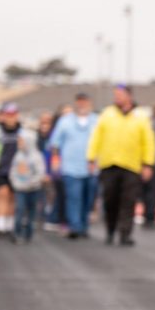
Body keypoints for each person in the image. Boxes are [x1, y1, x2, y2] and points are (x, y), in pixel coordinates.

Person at [86, 84, 155, 246]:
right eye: (115, 94)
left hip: (131, 166)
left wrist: (148, 164)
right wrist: (91, 158)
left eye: (120, 94)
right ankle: (110, 230)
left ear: (129, 96)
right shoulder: (107, 114)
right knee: (110, 200)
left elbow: (149, 142)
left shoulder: (141, 116)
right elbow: (96, 137)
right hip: (109, 164)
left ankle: (125, 234)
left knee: (129, 201)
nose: (116, 97)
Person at [49, 93, 98, 239]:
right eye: (80, 102)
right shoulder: (65, 121)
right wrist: (56, 160)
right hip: (71, 167)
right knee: (73, 197)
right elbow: (55, 143)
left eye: (85, 102)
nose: (82, 105)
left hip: (91, 168)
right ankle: (75, 226)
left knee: (87, 198)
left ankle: (84, 226)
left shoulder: (96, 121)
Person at [0, 102, 23, 239]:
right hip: (1, 169)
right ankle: (0, 225)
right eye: (8, 115)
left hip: (17, 170)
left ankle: (10, 225)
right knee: (2, 194)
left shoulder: (22, 131)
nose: (10, 118)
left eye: (13, 115)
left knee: (13, 198)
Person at [9, 128, 47, 243]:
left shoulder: (37, 156)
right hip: (20, 188)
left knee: (31, 211)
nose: (19, 143)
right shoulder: (18, 156)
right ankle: (17, 232)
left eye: (21, 141)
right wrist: (16, 182)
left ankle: (28, 233)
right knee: (19, 209)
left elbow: (40, 173)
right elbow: (13, 171)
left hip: (33, 189)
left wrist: (31, 183)